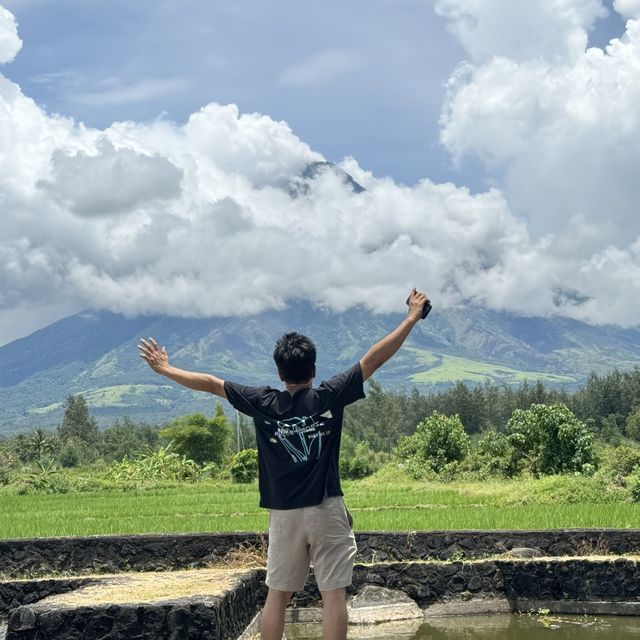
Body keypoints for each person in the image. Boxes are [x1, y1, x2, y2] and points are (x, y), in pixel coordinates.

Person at [138, 288, 430, 640]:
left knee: (277, 595)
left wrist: (166, 369)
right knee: (333, 594)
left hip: (283, 514)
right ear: (314, 369)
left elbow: (212, 384)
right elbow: (373, 360)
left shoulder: (263, 402)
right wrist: (411, 317)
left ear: (280, 373)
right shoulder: (328, 395)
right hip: (326, 509)